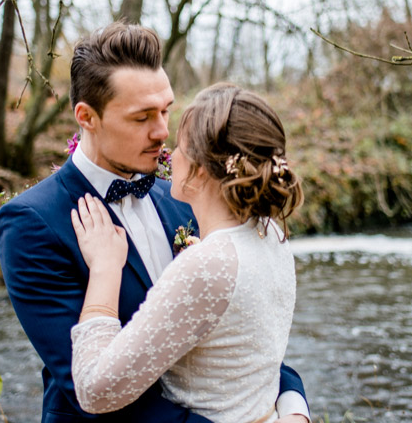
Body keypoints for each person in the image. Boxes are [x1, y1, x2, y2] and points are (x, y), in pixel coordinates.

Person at [0, 23, 310, 423]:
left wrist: (292, 404)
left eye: (165, 110)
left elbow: (236, 344)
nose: (163, 132)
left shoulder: (185, 197)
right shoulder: (33, 222)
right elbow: (88, 391)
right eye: (142, 117)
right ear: (87, 117)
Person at [70, 83, 303, 423]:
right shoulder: (271, 234)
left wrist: (105, 270)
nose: (170, 153)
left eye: (180, 145)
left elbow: (95, 391)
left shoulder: (209, 263)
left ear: (201, 168)